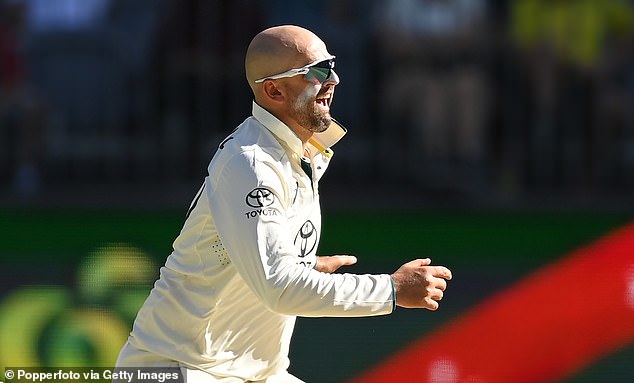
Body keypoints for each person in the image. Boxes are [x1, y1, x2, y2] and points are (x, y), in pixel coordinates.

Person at [115, 25, 452, 383]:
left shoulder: (298, 153)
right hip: (176, 369)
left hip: (248, 373)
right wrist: (391, 290)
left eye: (331, 65)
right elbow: (281, 287)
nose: (333, 79)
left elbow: (263, 267)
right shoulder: (253, 163)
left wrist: (305, 265)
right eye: (316, 71)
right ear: (274, 89)